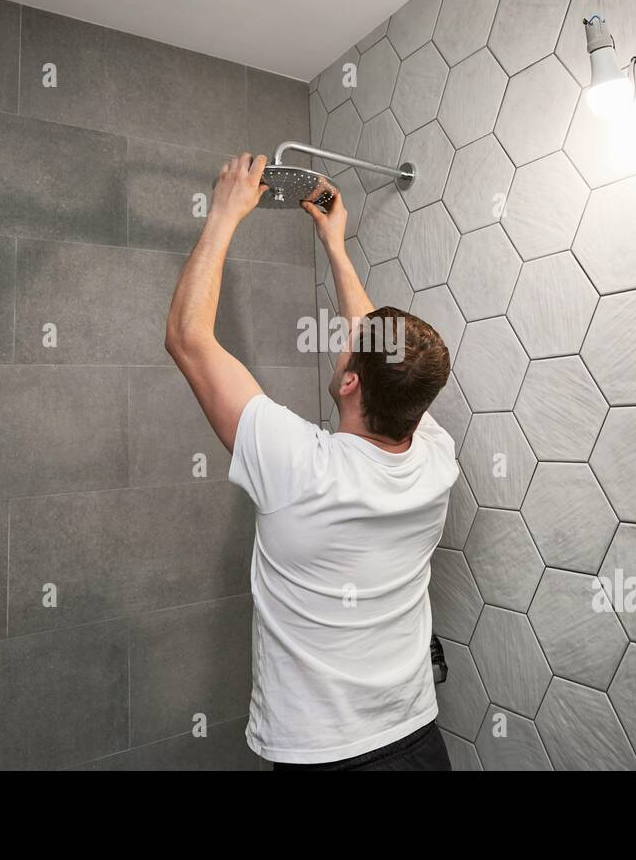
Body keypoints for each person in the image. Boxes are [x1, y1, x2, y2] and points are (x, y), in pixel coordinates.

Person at [164, 153, 459, 771]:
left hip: (326, 758)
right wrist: (336, 244)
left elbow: (189, 340)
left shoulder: (300, 467)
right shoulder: (435, 457)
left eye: (347, 351)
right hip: (418, 739)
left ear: (350, 383)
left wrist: (223, 214)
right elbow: (381, 353)